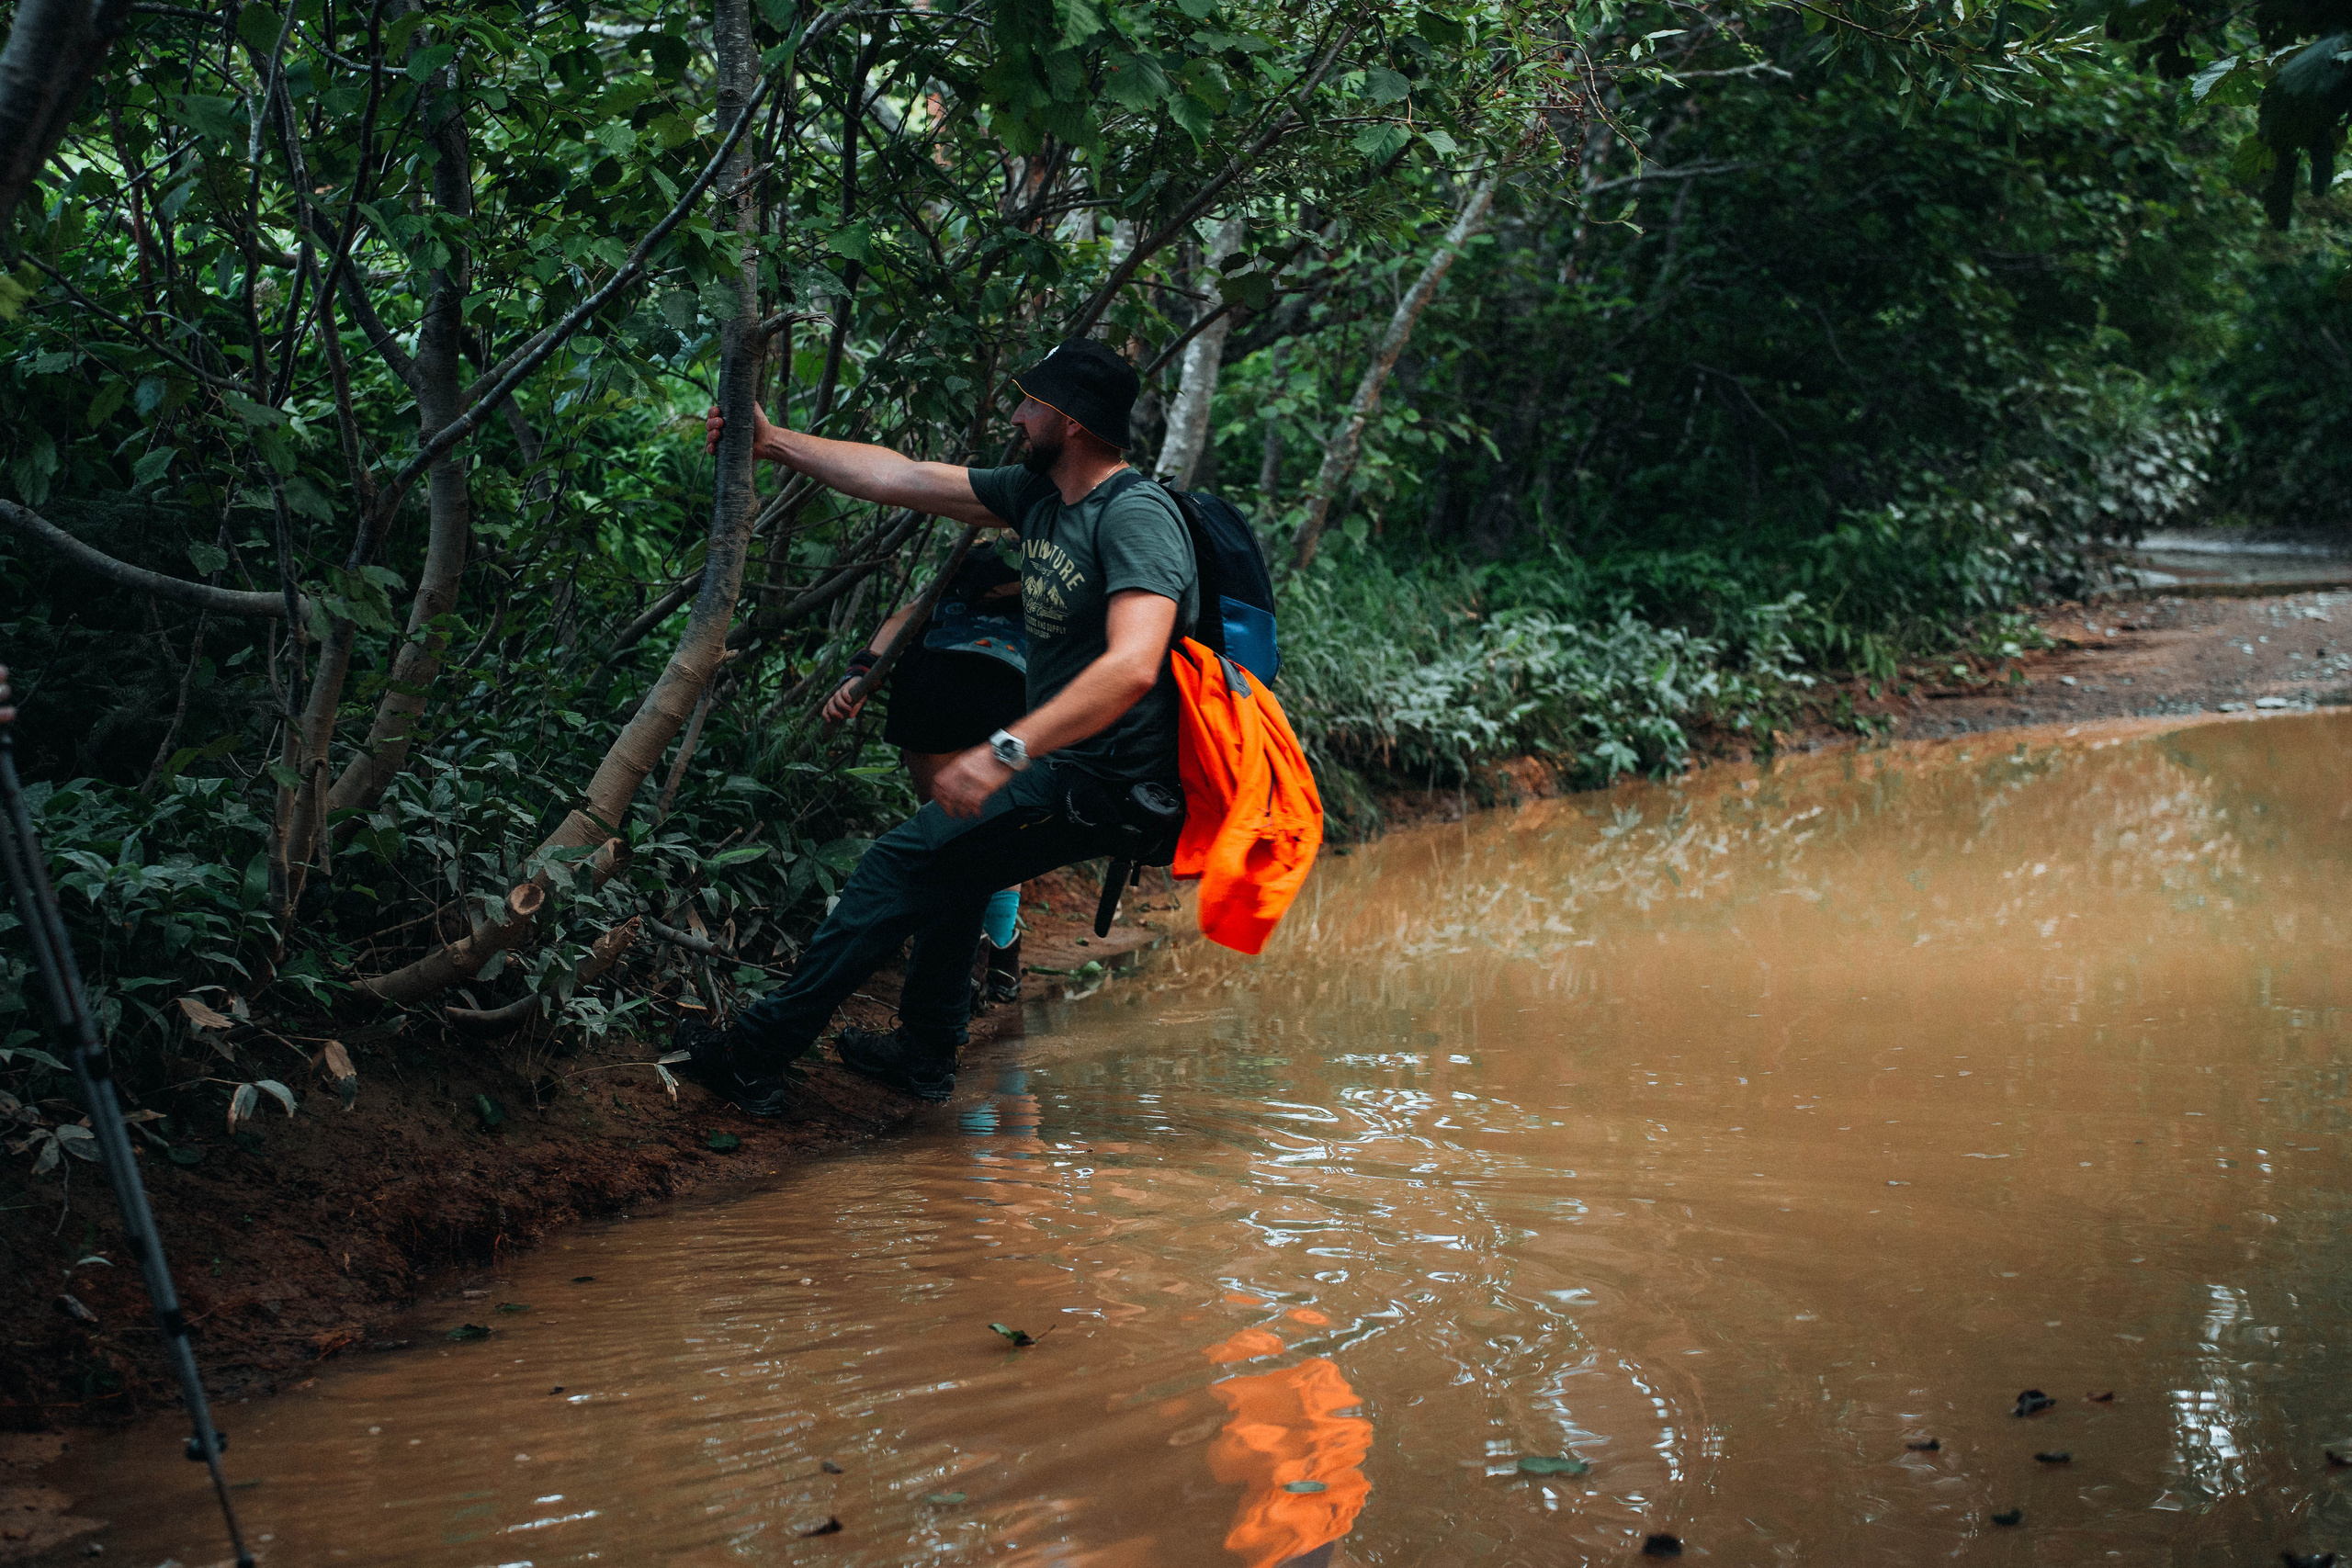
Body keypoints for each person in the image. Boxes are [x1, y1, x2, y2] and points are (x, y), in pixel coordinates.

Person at [683, 339, 1197, 1114]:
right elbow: (905, 477)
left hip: (1107, 778)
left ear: (1075, 421)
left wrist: (1002, 753)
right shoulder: (1040, 496)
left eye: (1032, 404)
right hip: (1069, 766)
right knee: (959, 863)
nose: (1017, 416)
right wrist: (774, 441)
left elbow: (1133, 665)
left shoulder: (1135, 516)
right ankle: (924, 1054)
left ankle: (753, 1055)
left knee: (897, 865)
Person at [822, 545, 1030, 1010]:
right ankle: (997, 951)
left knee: (950, 828)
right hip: (1014, 697)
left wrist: (862, 672)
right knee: (999, 836)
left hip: (935, 685)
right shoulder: (1067, 560)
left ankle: (969, 958)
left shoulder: (976, 552)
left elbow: (909, 616)